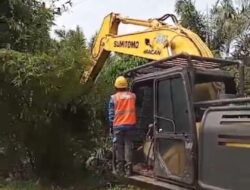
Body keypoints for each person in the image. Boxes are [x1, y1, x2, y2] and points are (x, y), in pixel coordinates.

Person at [108, 76, 136, 176]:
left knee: (119, 147)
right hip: (130, 125)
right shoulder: (132, 96)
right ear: (126, 86)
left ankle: (120, 168)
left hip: (118, 126)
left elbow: (111, 115)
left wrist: (111, 127)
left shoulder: (113, 98)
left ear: (116, 87)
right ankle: (129, 169)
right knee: (128, 145)